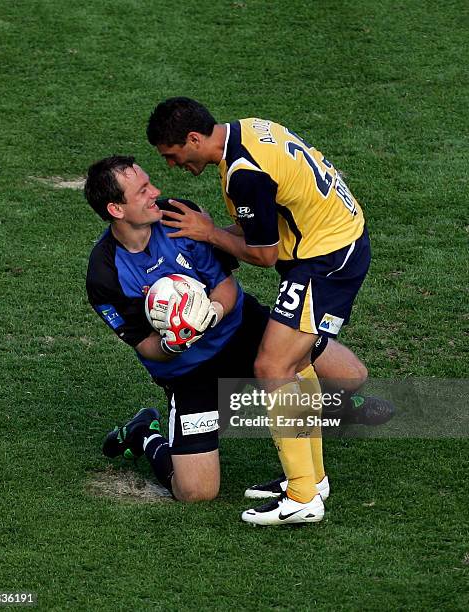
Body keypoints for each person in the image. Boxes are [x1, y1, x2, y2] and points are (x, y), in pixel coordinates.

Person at [146, 97, 394, 522]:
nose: (172, 165)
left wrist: (208, 232)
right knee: (294, 364)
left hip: (326, 262)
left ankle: (302, 499)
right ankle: (312, 480)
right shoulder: (248, 130)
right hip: (334, 247)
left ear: (192, 139)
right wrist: (210, 233)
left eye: (172, 155)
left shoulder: (244, 175)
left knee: (272, 366)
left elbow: (262, 254)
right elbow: (265, 220)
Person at [84, 155, 332, 525]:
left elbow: (225, 285)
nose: (156, 192)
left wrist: (211, 313)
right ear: (116, 209)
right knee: (197, 493)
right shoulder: (104, 274)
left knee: (348, 375)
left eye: (150, 183)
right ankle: (145, 435)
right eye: (143, 191)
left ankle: (298, 466)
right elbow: (146, 346)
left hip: (242, 330)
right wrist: (174, 342)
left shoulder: (178, 216)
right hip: (190, 372)